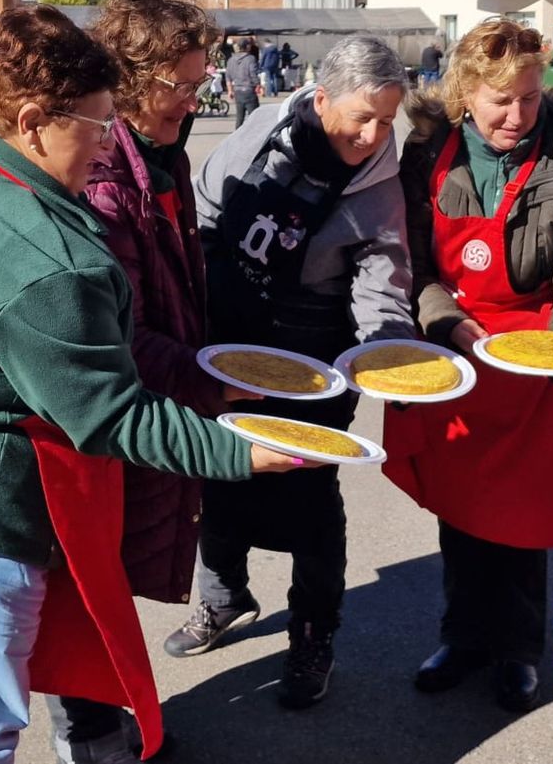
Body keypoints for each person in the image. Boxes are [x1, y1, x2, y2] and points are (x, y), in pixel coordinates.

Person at [0, 5, 312, 764]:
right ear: (34, 120)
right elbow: (109, 417)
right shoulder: (51, 258)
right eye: (99, 125)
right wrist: (243, 452)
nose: (109, 145)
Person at [175, 35, 419, 710]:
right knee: (218, 475)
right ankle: (223, 597)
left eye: (387, 121)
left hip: (313, 356)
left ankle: (314, 632)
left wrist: (388, 348)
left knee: (309, 500)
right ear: (320, 100)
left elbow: (382, 283)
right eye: (361, 117)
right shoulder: (264, 130)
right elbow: (208, 206)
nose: (373, 136)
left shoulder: (378, 187)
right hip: (228, 334)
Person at [39, 0, 244, 764]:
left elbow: (172, 285)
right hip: (112, 414)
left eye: (199, 84)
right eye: (180, 85)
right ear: (127, 79)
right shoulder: (101, 175)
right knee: (88, 581)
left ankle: (112, 714)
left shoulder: (163, 152)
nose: (195, 100)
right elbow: (116, 335)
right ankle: (88, 734)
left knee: (116, 575)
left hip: (162, 390)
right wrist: (205, 376)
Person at [386, 19, 553, 714]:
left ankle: (517, 650)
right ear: (465, 93)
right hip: (455, 348)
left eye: (530, 98)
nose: (518, 115)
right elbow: (411, 264)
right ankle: (463, 636)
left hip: (536, 358)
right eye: (501, 101)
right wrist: (448, 324)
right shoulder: (428, 153)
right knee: (461, 513)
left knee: (523, 519)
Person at [225, 39, 261, 129]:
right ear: (247, 46)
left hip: (237, 91)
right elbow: (253, 73)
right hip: (249, 90)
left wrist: (230, 90)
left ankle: (237, 137)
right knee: (254, 117)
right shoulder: (250, 59)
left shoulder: (231, 60)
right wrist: (258, 84)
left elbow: (228, 76)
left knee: (239, 118)